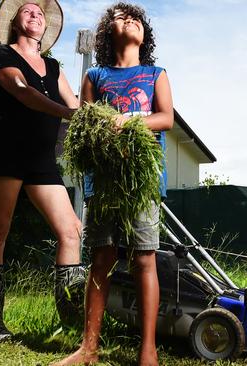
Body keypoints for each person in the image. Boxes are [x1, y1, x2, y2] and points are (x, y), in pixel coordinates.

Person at [54, 2, 173, 365]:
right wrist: (105, 131)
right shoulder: (97, 76)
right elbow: (87, 126)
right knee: (101, 258)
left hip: (142, 183)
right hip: (103, 182)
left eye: (136, 18)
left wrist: (128, 124)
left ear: (144, 34)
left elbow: (165, 117)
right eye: (122, 17)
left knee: (143, 259)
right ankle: (88, 348)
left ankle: (147, 351)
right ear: (108, 33)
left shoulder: (156, 73)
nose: (130, 20)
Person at [0, 0, 85, 342]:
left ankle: (71, 324)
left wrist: (106, 118)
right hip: (3, 152)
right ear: (15, 23)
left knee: (71, 231)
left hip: (41, 160)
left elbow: (77, 107)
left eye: (40, 12)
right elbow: (22, 92)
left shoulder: (53, 67)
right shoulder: (2, 55)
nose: (35, 14)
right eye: (27, 11)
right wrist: (66, 115)